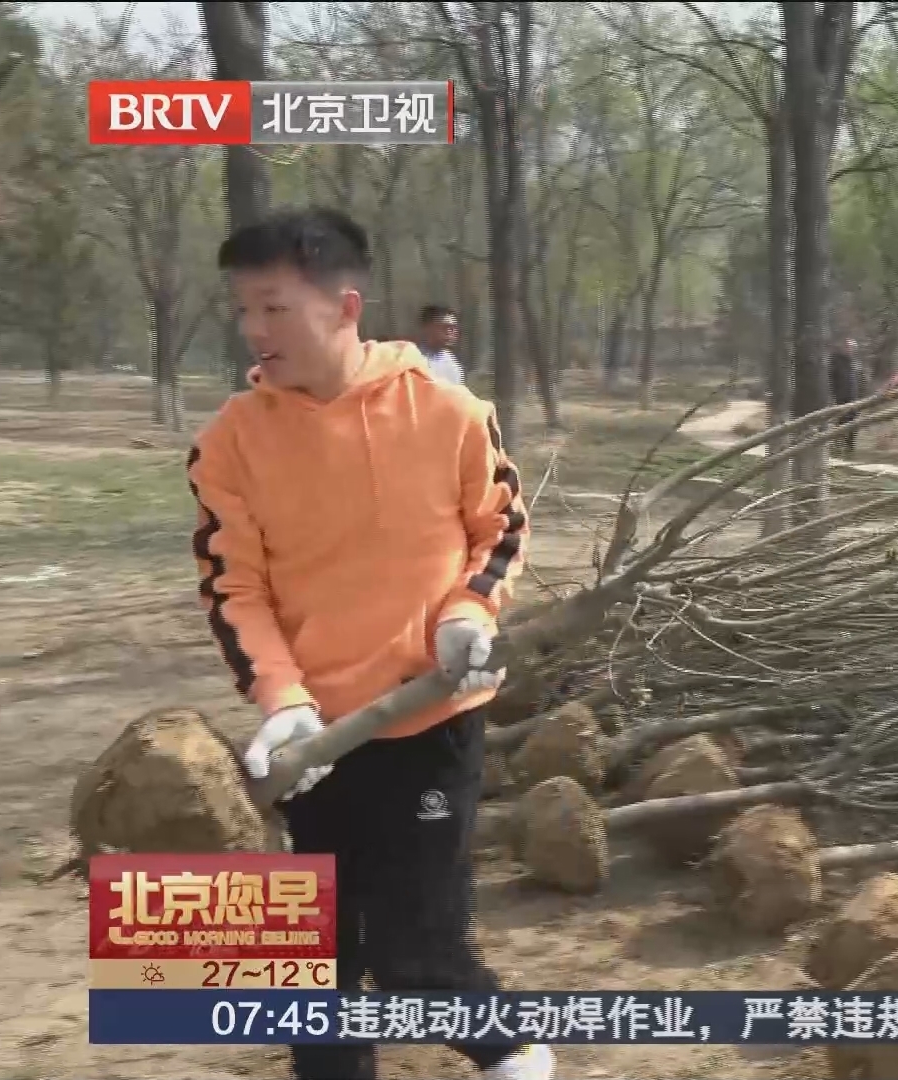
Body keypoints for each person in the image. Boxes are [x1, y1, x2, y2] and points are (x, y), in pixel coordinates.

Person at [188, 209, 547, 1080]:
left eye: (274, 308)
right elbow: (234, 587)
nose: (254, 330)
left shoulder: (452, 413)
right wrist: (283, 702)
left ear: (344, 307)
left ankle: (510, 1051)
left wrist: (469, 613)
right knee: (318, 962)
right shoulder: (230, 443)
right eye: (244, 310)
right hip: (313, 744)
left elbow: (498, 529)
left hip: (431, 727)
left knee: (415, 945)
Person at [828, 338, 864, 455]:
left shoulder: (853, 362)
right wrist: (832, 396)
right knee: (842, 420)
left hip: (853, 396)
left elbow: (858, 381)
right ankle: (838, 444)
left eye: (852, 348)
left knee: (854, 420)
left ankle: (850, 445)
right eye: (848, 347)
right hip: (840, 397)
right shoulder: (836, 360)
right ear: (843, 348)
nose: (850, 349)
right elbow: (830, 380)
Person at [419, 303, 465, 385]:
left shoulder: (451, 361)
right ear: (427, 328)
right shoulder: (414, 358)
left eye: (454, 328)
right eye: (446, 327)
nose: (452, 332)